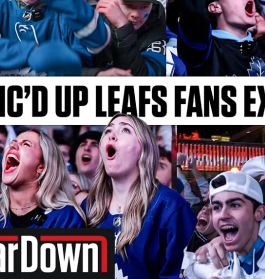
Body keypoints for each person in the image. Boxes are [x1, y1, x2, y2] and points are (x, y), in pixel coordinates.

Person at [82, 114, 196, 278]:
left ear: (144, 149)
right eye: (108, 131)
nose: (111, 135)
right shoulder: (88, 207)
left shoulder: (170, 207)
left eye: (125, 130)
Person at [0, 130, 86, 228]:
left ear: (42, 166)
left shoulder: (64, 219)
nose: (12, 145)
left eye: (26, 144)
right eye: (12, 143)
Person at [88, 0, 165, 76]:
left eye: (144, 6)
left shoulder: (158, 31)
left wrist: (123, 27)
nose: (136, 14)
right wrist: (96, 75)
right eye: (129, 5)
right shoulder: (94, 22)